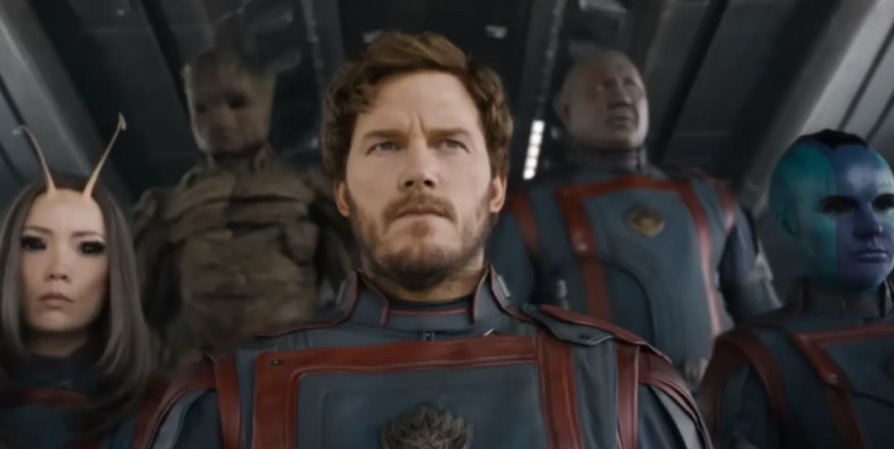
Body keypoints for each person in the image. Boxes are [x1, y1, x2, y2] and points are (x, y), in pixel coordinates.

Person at [137, 32, 709, 449]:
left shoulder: (624, 390)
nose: (419, 172)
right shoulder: (223, 404)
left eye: (450, 143)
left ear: (496, 187)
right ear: (341, 192)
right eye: (385, 145)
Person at [488, 49, 779, 387]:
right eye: (602, 87)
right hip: (595, 410)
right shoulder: (531, 210)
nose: (621, 97)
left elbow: (767, 322)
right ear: (565, 109)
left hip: (716, 407)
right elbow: (501, 337)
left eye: (631, 85)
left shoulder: (712, 199)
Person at [133, 45, 355, 369]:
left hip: (293, 366)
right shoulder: (166, 208)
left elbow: (357, 291)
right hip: (202, 371)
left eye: (236, 103)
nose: (219, 120)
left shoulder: (309, 195)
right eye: (201, 109)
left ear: (265, 100)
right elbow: (137, 312)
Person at [697, 130, 894, 449]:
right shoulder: (753, 358)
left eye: (885, 204)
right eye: (838, 208)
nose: (871, 227)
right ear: (788, 223)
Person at [0, 117, 160, 449]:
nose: (58, 269)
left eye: (89, 248)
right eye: (34, 243)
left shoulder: (170, 415)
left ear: (116, 270)